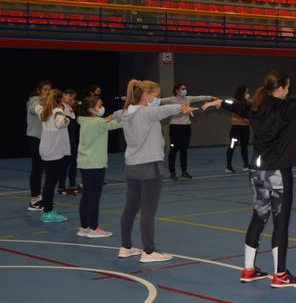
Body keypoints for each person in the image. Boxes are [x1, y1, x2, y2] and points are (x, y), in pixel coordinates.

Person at [207, 70, 296, 288]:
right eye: (288, 87)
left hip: (257, 172)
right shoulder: (284, 108)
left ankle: (248, 269)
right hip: (278, 173)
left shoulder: (255, 105)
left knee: (258, 217)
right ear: (282, 88)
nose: (289, 90)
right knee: (280, 222)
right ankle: (280, 275)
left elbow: (237, 105)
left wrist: (220, 102)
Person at [115, 80, 199, 263]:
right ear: (146, 95)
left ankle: (126, 247)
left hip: (132, 167)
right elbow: (165, 110)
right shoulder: (147, 113)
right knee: (148, 211)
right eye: (156, 95)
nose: (158, 99)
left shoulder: (124, 112)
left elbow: (116, 113)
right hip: (149, 166)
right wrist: (182, 108)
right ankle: (149, 251)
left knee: (130, 208)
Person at [75, 96, 123, 238]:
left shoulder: (82, 119)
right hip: (95, 164)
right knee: (94, 197)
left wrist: (108, 117)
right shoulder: (99, 123)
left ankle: (84, 227)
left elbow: (104, 120)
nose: (102, 107)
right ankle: (94, 228)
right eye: (99, 105)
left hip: (84, 162)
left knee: (86, 195)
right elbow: (118, 123)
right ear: (91, 109)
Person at [163, 82, 215, 180]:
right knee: (173, 149)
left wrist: (212, 97)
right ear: (177, 91)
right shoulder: (171, 99)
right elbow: (158, 101)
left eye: (185, 88)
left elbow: (200, 97)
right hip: (175, 127)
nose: (184, 90)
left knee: (184, 150)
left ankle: (184, 171)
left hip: (186, 127)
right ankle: (172, 172)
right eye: (182, 89)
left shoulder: (188, 99)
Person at [35, 89, 71, 223]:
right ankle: (47, 212)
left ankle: (47, 209)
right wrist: (66, 120)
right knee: (51, 182)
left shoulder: (44, 111)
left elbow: (36, 107)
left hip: (45, 149)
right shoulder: (58, 112)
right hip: (54, 151)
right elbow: (60, 123)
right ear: (60, 100)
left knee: (49, 182)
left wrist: (41, 101)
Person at [25, 80, 52, 211]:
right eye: (45, 89)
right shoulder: (33, 100)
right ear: (39, 90)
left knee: (46, 168)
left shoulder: (49, 102)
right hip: (35, 138)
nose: (47, 92)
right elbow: (33, 109)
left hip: (46, 138)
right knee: (37, 168)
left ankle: (42, 197)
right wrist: (42, 103)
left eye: (49, 90)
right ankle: (34, 199)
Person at [57, 89, 82, 196]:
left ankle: (72, 185)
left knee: (73, 163)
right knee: (64, 164)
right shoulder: (60, 107)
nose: (72, 99)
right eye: (69, 96)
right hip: (64, 141)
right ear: (63, 95)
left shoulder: (69, 107)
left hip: (71, 140)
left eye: (73, 97)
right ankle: (61, 187)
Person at [224, 85, 252, 173]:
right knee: (232, 146)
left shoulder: (248, 102)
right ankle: (228, 166)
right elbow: (224, 102)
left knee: (244, 147)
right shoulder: (233, 102)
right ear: (242, 92)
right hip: (235, 129)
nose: (248, 94)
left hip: (245, 128)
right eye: (246, 92)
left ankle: (246, 165)